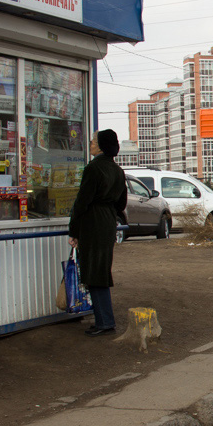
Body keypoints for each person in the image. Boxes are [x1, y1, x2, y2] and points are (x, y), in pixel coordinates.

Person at [68, 130, 128, 337]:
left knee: (94, 273)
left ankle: (105, 321)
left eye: (93, 141)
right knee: (100, 270)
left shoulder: (93, 169)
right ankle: (104, 320)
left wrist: (73, 230)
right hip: (108, 222)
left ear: (101, 146)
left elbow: (82, 202)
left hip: (92, 222)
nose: (91, 144)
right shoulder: (118, 170)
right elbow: (122, 204)